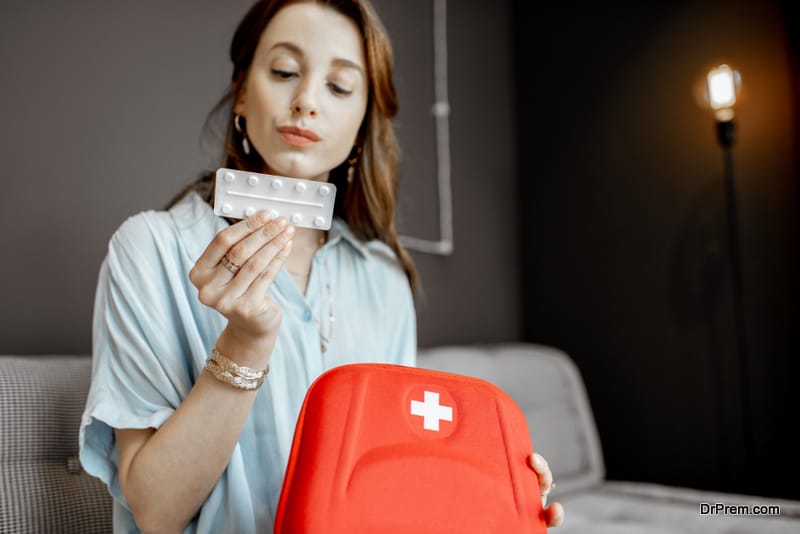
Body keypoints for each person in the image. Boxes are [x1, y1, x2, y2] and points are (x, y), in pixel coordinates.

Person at [79, 1, 564, 532]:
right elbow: (155, 511)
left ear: (361, 125)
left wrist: (487, 489)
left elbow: (391, 486)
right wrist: (244, 343)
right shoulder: (149, 250)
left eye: (339, 87)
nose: (306, 101)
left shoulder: (384, 279)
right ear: (242, 92)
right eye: (284, 72)